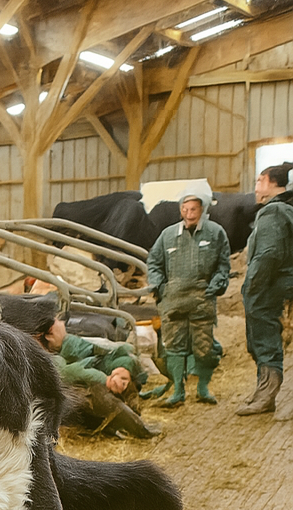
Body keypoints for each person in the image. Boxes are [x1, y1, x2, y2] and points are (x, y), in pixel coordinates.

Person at [145, 189, 230, 407]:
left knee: (204, 346)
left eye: (194, 209)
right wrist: (159, 286)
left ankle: (203, 388)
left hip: (202, 299)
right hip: (173, 301)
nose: (189, 213)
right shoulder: (168, 235)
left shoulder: (215, 233)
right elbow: (154, 262)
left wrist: (217, 283)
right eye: (185, 208)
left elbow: (223, 264)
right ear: (180, 209)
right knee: (174, 346)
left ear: (202, 209)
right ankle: (178, 392)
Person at [36, 308, 159, 439]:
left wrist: (120, 371)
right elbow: (70, 372)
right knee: (96, 392)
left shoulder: (66, 342)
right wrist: (104, 378)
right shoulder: (47, 356)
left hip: (86, 375)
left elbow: (93, 351)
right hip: (67, 399)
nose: (61, 322)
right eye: (57, 321)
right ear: (49, 335)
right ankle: (139, 428)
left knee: (124, 361)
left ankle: (131, 409)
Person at [237, 161, 293, 416]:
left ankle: (267, 395)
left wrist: (251, 287)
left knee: (263, 336)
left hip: (269, 285)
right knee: (263, 336)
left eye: (260, 181)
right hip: (278, 283)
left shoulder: (273, 212)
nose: (256, 187)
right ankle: (263, 393)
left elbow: (268, 255)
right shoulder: (285, 208)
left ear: (271, 184)